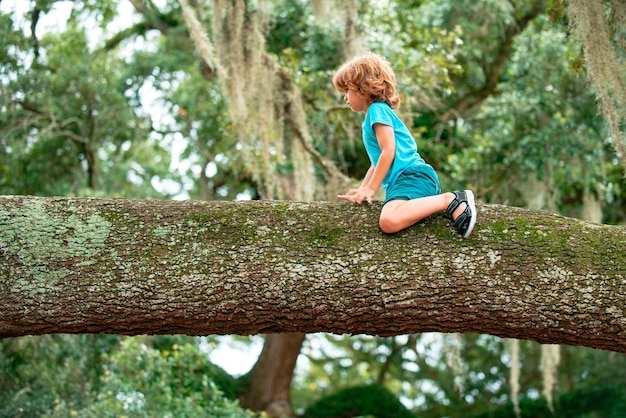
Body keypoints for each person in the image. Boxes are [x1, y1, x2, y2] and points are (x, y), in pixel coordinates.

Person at [333, 52, 477, 237]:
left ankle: (452, 200)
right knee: (390, 218)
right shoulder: (376, 114)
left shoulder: (376, 111)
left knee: (389, 221)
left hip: (412, 176)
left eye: (347, 91)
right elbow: (376, 163)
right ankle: (452, 204)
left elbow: (388, 151)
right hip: (407, 179)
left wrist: (371, 189)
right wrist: (362, 190)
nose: (345, 98)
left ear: (363, 87)